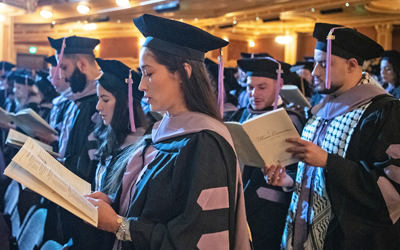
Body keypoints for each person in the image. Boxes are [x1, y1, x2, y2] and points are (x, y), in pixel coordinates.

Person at [86, 14, 250, 250]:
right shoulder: (159, 133)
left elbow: (197, 237)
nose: (141, 85)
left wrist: (119, 225)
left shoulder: (205, 142)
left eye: (149, 73)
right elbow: (155, 205)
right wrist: (114, 202)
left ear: (183, 72)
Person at [264, 23, 400, 250]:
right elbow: (314, 178)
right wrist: (289, 182)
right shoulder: (320, 109)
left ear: (352, 65)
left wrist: (329, 161)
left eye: (324, 64)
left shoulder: (384, 112)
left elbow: (392, 191)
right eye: (316, 63)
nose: (315, 72)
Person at [228, 57, 304, 250]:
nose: (254, 94)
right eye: (249, 87)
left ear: (279, 85)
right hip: (236, 205)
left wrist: (287, 180)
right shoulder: (237, 116)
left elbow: (303, 173)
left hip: (270, 211)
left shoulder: (291, 121)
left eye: (262, 87)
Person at [46, 35, 103, 248]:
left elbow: (95, 162)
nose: (61, 75)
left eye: (64, 67)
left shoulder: (99, 104)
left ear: (82, 64)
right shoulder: (75, 101)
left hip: (87, 202)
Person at [94, 58, 148, 194]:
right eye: (98, 99)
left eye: (105, 99)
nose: (98, 106)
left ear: (125, 102)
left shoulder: (141, 147)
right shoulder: (112, 136)